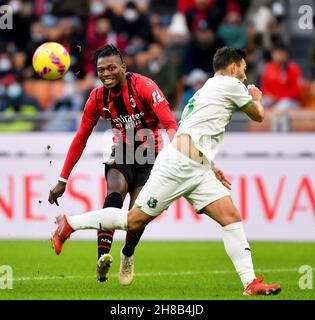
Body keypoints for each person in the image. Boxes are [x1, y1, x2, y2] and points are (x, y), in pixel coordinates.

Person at [51, 47, 281, 296]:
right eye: (244, 70)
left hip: (193, 164)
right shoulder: (230, 83)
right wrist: (255, 97)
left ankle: (250, 282)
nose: (245, 77)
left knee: (230, 217)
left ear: (123, 68)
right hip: (179, 164)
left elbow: (180, 127)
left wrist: (210, 165)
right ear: (234, 67)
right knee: (132, 220)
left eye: (110, 68)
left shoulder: (206, 88)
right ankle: (70, 224)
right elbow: (258, 116)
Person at [48, 44, 178, 285]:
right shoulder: (97, 98)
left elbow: (170, 123)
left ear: (123, 68)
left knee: (138, 216)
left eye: (111, 68)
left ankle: (127, 254)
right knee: (114, 196)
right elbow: (80, 138)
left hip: (152, 156)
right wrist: (63, 179)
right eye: (101, 69)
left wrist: (176, 153)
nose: (106, 73)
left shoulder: (144, 86)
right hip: (123, 152)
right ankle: (102, 258)